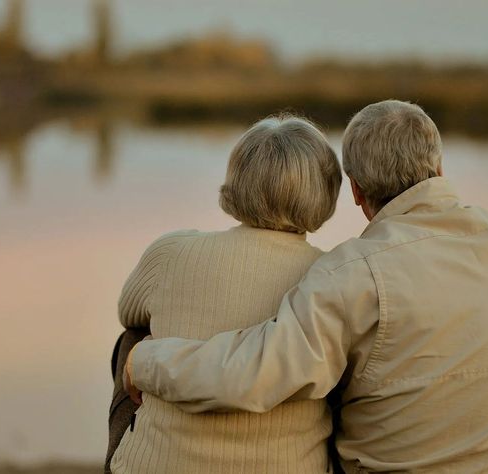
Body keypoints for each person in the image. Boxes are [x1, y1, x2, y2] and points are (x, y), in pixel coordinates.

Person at [125, 100, 488, 473]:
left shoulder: (352, 272)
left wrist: (144, 361)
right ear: (439, 167)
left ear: (354, 191)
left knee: (325, 368)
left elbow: (257, 373)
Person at [109, 114, 343, 473]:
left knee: (133, 338)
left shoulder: (171, 251)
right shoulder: (334, 275)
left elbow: (129, 311)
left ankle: (129, 454)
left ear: (236, 182)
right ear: (326, 191)